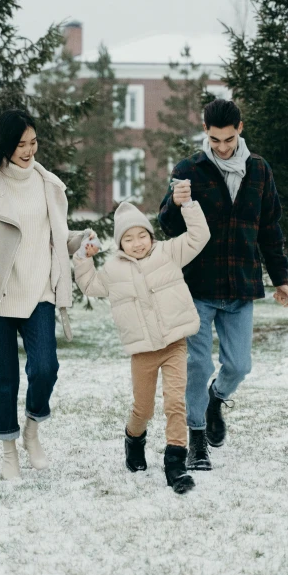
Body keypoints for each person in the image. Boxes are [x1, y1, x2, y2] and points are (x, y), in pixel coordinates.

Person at [0, 109, 90, 480]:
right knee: (4, 377)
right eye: (21, 144)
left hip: (39, 291)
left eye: (33, 143)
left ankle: (32, 431)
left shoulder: (48, 185)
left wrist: (81, 242)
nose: (29, 151)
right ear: (5, 145)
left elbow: (54, 236)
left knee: (45, 368)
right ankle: (9, 448)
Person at [158, 98, 288, 471]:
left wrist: (280, 279)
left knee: (240, 365)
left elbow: (270, 229)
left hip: (241, 287)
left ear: (240, 129)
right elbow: (168, 225)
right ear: (206, 132)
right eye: (215, 139)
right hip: (198, 287)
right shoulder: (189, 169)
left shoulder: (259, 171)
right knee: (197, 366)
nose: (221, 147)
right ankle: (197, 439)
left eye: (228, 139)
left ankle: (216, 400)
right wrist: (174, 200)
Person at [74, 196, 210, 494]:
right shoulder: (112, 271)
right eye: (129, 238)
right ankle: (134, 439)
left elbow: (200, 236)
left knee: (176, 404)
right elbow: (88, 285)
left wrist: (188, 205)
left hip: (174, 344)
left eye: (142, 236)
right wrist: (84, 259)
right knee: (143, 409)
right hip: (143, 352)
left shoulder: (169, 252)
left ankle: (175, 463)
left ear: (151, 235)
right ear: (120, 244)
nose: (137, 243)